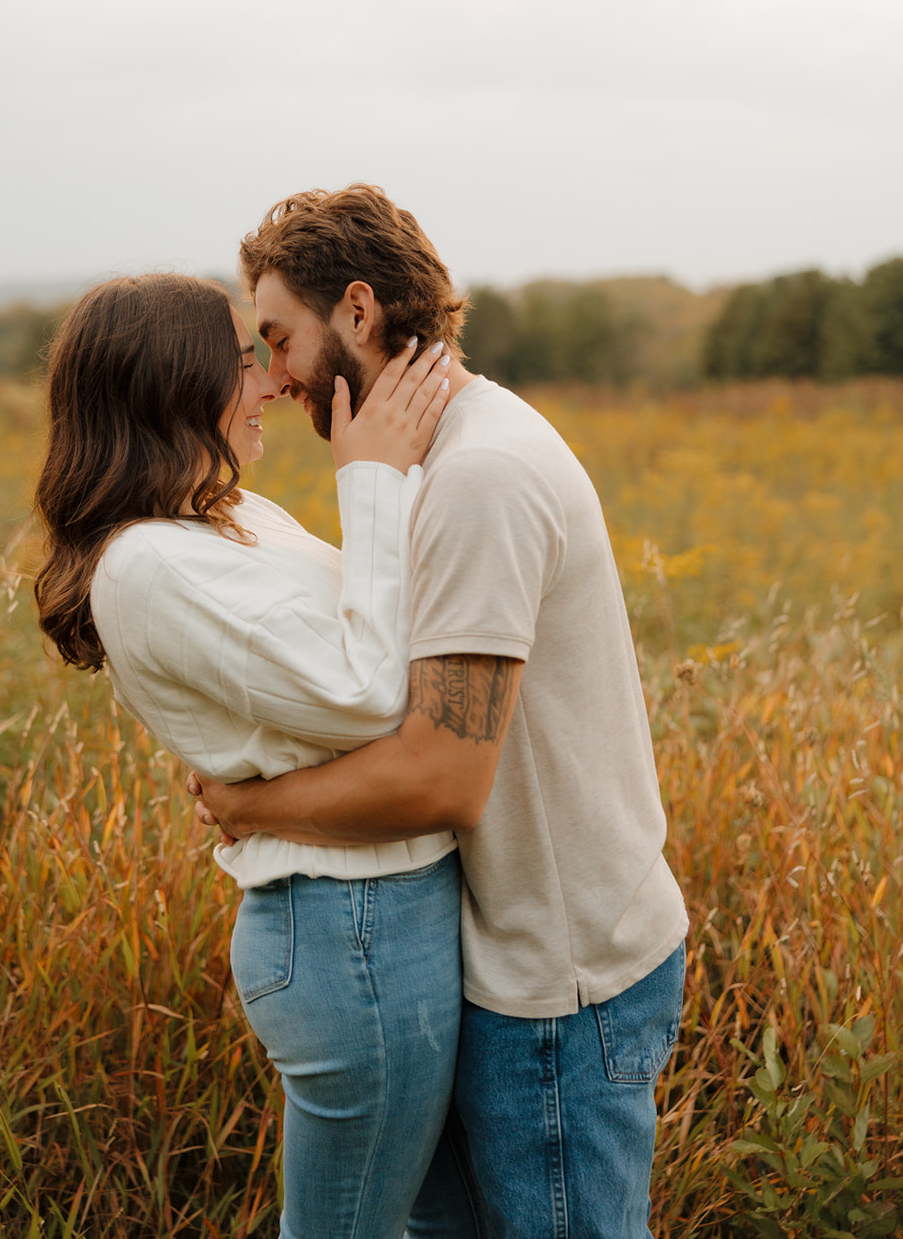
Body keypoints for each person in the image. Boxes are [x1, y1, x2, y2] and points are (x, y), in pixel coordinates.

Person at [191, 187, 690, 1239]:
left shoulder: (478, 477)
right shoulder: (426, 459)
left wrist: (251, 800)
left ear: (358, 313)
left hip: (558, 983)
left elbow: (441, 772)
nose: (271, 377)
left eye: (278, 338)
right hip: (510, 960)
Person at [32, 272, 460, 1239]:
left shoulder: (231, 518)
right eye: (241, 361)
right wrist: (372, 476)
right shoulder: (146, 564)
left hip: (389, 914)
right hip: (350, 929)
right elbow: (372, 693)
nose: (272, 382)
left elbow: (384, 617)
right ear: (169, 386)